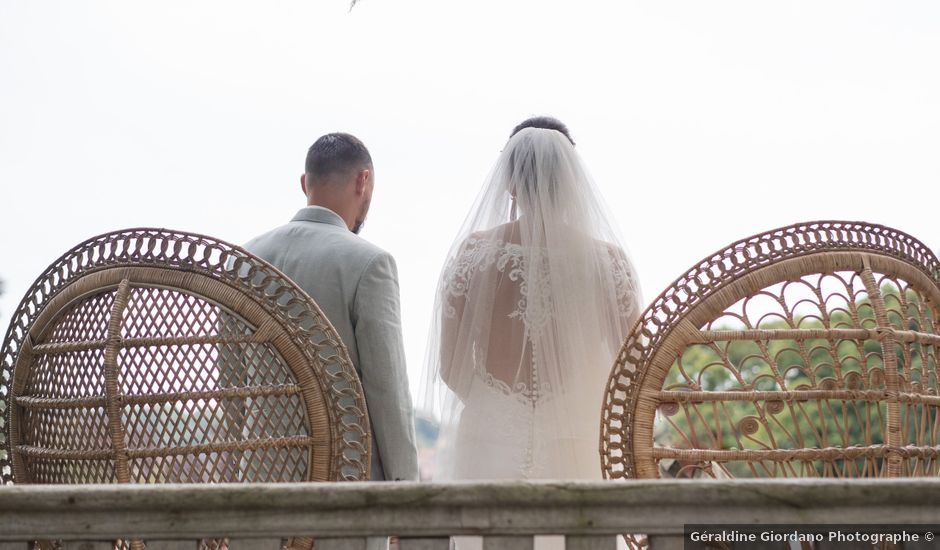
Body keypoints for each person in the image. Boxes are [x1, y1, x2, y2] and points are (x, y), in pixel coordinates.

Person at [423, 117, 642, 484]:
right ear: (572, 180)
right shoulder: (608, 263)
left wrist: (497, 404)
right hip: (577, 436)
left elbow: (450, 365)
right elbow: (634, 366)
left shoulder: (475, 254)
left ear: (508, 183)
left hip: (489, 436)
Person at [245, 132, 419, 485]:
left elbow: (231, 386)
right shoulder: (370, 264)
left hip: (260, 479)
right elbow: (387, 392)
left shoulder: (245, 259)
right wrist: (405, 488)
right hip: (344, 481)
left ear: (304, 183)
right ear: (363, 180)